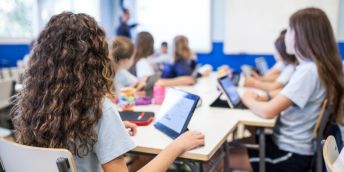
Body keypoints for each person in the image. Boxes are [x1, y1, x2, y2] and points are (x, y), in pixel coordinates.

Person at [11, 12, 205, 172]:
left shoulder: (35, 102)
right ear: (97, 58)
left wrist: (111, 131)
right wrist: (176, 146)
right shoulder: (99, 110)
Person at [231, 8, 344, 172]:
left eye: (290, 30)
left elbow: (268, 112)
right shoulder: (314, 67)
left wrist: (247, 98)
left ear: (304, 36)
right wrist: (268, 96)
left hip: (291, 154)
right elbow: (289, 95)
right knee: (230, 146)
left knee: (221, 156)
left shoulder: (308, 71)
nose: (286, 37)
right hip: (294, 146)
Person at [245, 30, 297, 97]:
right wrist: (259, 79)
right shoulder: (287, 66)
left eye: (276, 50)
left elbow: (274, 86)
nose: (274, 53)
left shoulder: (290, 68)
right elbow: (275, 78)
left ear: (282, 52)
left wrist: (254, 83)